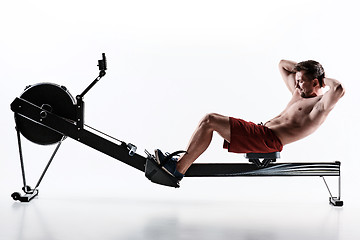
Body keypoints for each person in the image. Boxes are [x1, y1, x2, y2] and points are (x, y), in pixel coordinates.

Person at [155, 59, 345, 182]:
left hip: (268, 140)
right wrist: (301, 73)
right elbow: (282, 64)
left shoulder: (319, 106)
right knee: (209, 121)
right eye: (296, 80)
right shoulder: (298, 93)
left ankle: (178, 169)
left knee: (209, 120)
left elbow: (338, 89)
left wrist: (322, 77)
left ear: (316, 82)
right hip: (261, 132)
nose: (296, 84)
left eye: (301, 80)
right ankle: (179, 163)